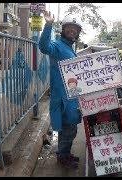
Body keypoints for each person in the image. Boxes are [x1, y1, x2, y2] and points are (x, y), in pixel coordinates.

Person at [39, 11, 83, 169]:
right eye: (69, 28)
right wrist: (48, 24)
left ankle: (65, 153)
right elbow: (43, 47)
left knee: (70, 129)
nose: (73, 31)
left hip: (71, 95)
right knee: (68, 129)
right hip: (63, 98)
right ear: (63, 29)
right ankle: (63, 156)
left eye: (75, 29)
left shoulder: (70, 48)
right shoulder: (57, 45)